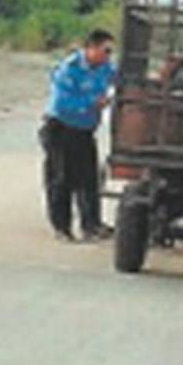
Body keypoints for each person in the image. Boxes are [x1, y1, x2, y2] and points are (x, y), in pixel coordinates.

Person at [39, 30, 116, 242]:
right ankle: (62, 227)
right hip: (61, 128)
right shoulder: (69, 69)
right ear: (91, 48)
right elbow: (62, 105)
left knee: (89, 179)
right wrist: (92, 103)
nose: (108, 56)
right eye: (106, 51)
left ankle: (92, 225)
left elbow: (121, 79)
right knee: (61, 179)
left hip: (84, 131)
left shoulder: (106, 68)